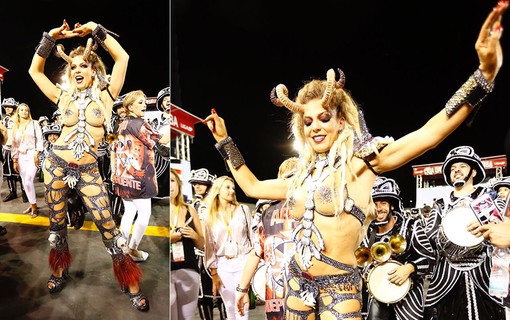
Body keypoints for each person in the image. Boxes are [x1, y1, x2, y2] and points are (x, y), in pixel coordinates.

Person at [203, 4, 508, 318]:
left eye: (323, 118)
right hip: (296, 282)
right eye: (307, 122)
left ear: (340, 121)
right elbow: (251, 187)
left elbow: (430, 133)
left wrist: (483, 75)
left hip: (341, 287)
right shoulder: (301, 176)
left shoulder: (362, 164)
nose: (315, 126)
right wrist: (224, 141)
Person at [28, 20, 149, 311]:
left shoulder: (107, 96)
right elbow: (34, 71)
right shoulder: (62, 96)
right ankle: (58, 270)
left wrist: (97, 29)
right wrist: (49, 38)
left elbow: (123, 58)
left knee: (110, 229)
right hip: (56, 166)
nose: (78, 70)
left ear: (93, 70)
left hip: (89, 172)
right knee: (56, 228)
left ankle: (131, 282)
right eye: (74, 67)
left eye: (83, 66)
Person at [423, 146, 505, 319]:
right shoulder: (441, 204)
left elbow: (504, 230)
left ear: (474, 171)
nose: (457, 171)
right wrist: (448, 234)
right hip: (448, 277)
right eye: (453, 169)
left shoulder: (488, 198)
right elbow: (429, 236)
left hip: (484, 274)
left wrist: (485, 226)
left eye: (462, 166)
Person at [359, 176, 434, 320]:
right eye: (374, 203)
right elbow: (359, 265)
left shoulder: (411, 226)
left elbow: (429, 258)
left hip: (408, 297)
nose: (378, 208)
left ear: (392, 205)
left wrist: (410, 268)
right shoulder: (365, 233)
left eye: (383, 203)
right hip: (378, 296)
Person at [235, 157, 299, 319]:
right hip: (307, 291)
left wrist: (242, 289)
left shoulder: (267, 214)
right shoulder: (317, 207)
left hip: (277, 294)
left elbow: (256, 253)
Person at [111, 89, 170, 262]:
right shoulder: (140, 124)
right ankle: (132, 250)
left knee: (129, 211)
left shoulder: (121, 124)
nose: (144, 105)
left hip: (122, 176)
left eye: (145, 102)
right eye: (140, 102)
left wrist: (114, 172)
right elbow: (162, 141)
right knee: (144, 214)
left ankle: (120, 247)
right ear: (130, 106)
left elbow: (113, 147)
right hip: (139, 178)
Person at [204, 175, 253, 320]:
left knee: (242, 305)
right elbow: (209, 247)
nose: (231, 190)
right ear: (218, 190)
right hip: (222, 264)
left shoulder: (243, 210)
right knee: (230, 306)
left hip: (243, 261)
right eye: (227, 187)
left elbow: (252, 237)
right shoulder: (210, 215)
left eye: (233, 188)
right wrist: (214, 274)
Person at [187, 167, 224, 320]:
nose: (197, 186)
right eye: (195, 183)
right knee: (203, 297)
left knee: (223, 295)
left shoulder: (218, 205)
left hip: (218, 255)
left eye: (201, 183)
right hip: (199, 256)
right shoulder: (192, 205)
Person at [170, 168, 206, 320]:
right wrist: (170, 238)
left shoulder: (189, 209)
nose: (170, 185)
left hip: (189, 269)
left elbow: (201, 243)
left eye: (173, 181)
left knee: (187, 317)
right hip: (168, 271)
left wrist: (194, 235)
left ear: (178, 185)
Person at [10, 103, 44, 218]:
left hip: (32, 154)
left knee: (29, 180)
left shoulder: (34, 123)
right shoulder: (15, 126)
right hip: (20, 156)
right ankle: (31, 203)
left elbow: (40, 139)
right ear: (18, 112)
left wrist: (37, 153)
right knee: (25, 183)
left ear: (29, 112)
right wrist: (15, 160)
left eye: (26, 110)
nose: (24, 112)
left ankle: (34, 207)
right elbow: (14, 145)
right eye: (22, 110)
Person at [1, 97, 27, 203]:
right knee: (9, 173)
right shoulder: (4, 119)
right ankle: (13, 192)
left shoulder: (19, 119)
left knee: (20, 172)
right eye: (6, 107)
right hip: (6, 148)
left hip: (18, 149)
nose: (7, 109)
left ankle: (25, 192)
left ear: (14, 108)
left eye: (10, 107)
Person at [151, 86, 170, 199]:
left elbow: (165, 140)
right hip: (154, 158)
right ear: (161, 103)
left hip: (170, 158)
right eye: (165, 99)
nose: (168, 101)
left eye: (171, 99)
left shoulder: (177, 120)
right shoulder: (154, 121)